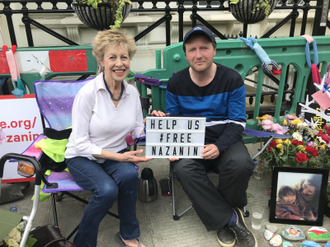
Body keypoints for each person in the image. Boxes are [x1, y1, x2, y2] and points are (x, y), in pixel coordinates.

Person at [152, 25, 256, 247]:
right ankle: (230, 218)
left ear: (214, 50)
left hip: (225, 139)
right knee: (183, 169)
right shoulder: (176, 83)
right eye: (192, 49)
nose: (198, 54)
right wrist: (167, 136)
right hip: (191, 141)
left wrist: (219, 146)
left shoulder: (232, 79)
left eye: (204, 48)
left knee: (241, 164)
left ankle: (221, 212)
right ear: (186, 53)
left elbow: (237, 122)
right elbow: (176, 121)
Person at [64, 29, 151, 247]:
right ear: (101, 61)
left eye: (124, 57)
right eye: (112, 57)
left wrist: (154, 126)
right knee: (107, 190)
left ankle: (128, 234)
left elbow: (136, 131)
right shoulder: (88, 93)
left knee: (130, 176)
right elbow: (81, 143)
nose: (119, 63)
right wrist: (119, 157)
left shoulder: (132, 93)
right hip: (82, 156)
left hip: (116, 153)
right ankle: (82, 243)